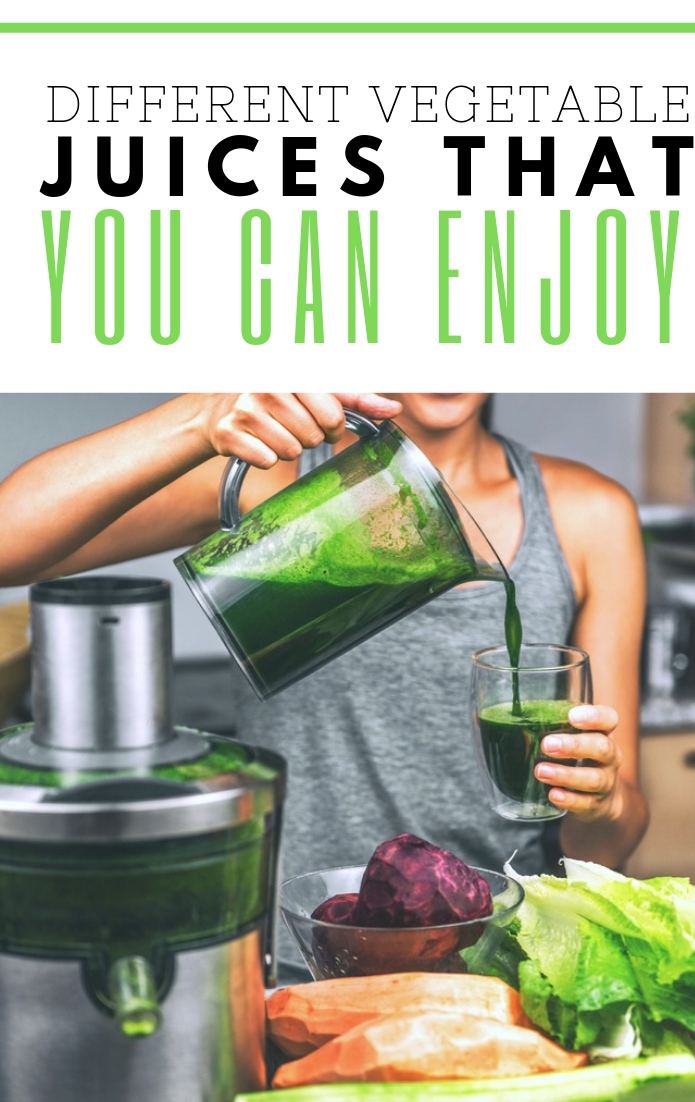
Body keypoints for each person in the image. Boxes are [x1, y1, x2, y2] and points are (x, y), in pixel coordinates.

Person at [0, 393, 649, 981]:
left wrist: (602, 804)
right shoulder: (275, 480)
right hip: (293, 962)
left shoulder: (587, 516)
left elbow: (607, 847)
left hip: (501, 968)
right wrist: (202, 417)